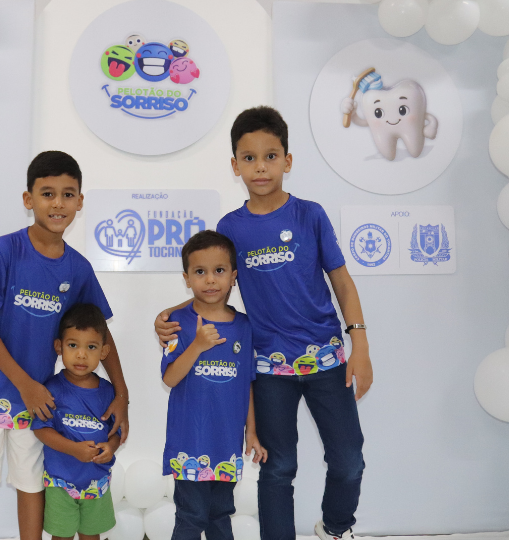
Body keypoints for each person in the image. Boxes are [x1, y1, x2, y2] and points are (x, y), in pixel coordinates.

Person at [155, 106, 373, 540]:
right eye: (249, 158)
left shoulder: (310, 215)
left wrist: (360, 345)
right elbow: (214, 282)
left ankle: (336, 528)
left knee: (349, 459)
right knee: (278, 468)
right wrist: (170, 315)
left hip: (326, 359)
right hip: (268, 368)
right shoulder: (230, 227)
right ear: (235, 165)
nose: (260, 167)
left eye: (270, 156)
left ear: (287, 161)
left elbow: (343, 284)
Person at [0, 151, 130, 540]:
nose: (58, 203)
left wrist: (122, 394)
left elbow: (102, 334)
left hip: (39, 402)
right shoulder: (4, 250)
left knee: (32, 483)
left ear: (80, 202)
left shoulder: (78, 268)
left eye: (68, 194)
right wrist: (24, 384)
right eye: (47, 193)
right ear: (28, 199)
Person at [161, 230, 266, 540]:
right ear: (186, 278)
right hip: (190, 444)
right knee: (191, 517)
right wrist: (197, 345)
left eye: (219, 270)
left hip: (226, 445)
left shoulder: (244, 326)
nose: (210, 280)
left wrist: (252, 432)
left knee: (220, 516)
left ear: (233, 276)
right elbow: (169, 378)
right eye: (200, 272)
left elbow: (247, 383)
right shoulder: (177, 322)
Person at [32, 304, 122, 540]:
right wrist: (74, 449)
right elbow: (41, 430)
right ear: (59, 347)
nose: (81, 355)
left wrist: (111, 446)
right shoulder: (51, 389)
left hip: (96, 482)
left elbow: (116, 431)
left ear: (104, 351)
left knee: (91, 535)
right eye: (73, 345)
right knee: (61, 536)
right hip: (60, 482)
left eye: (91, 347)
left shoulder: (108, 392)